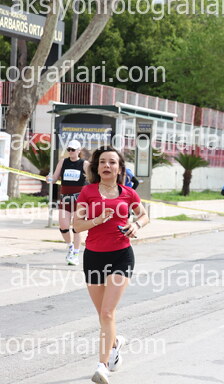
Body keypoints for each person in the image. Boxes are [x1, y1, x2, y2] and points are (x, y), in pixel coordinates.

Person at [73, 146, 149, 384]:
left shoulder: (128, 193)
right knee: (103, 315)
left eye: (112, 162)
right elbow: (77, 225)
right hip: (93, 257)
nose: (107, 165)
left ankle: (102, 366)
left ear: (119, 168)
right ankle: (115, 343)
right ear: (97, 168)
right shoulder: (87, 192)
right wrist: (97, 220)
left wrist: (136, 225)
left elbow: (144, 215)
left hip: (121, 256)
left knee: (107, 312)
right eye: (103, 162)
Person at [47, 139, 90, 266]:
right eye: (69, 149)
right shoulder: (63, 162)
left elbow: (93, 180)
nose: (71, 152)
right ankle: (70, 246)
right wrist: (49, 179)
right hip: (65, 198)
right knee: (63, 226)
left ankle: (76, 254)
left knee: (76, 228)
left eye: (73, 150)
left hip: (79, 199)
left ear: (79, 150)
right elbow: (55, 178)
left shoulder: (84, 164)